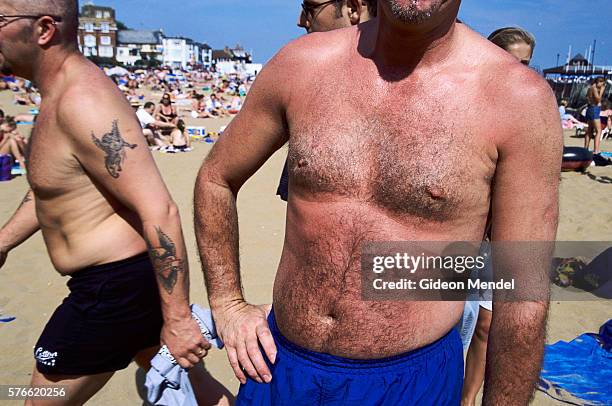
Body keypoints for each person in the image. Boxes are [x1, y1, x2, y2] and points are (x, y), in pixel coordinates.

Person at [194, 1, 561, 404]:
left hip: (410, 382)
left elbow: (522, 296)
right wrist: (227, 304)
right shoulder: (302, 65)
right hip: (279, 365)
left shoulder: (516, 100)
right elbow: (216, 178)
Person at [0, 1, 211, 404]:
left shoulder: (83, 101)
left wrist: (180, 317)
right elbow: (51, 188)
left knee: (33, 400)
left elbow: (159, 208)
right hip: (125, 284)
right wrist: (5, 240)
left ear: (44, 29)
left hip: (112, 290)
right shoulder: (57, 95)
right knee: (193, 390)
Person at [460, 26, 539, 406]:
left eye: (526, 63)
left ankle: (466, 398)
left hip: (500, 237)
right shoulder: (466, 102)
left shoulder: (529, 108)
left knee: (487, 326)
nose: (520, 70)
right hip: (463, 234)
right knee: (454, 326)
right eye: (512, 61)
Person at [277, 0, 378, 201]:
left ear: (353, 9)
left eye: (310, 8)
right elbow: (217, 177)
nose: (300, 21)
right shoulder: (309, 81)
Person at [585, 77, 607, 154]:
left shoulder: (591, 87)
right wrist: (601, 91)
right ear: (599, 82)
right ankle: (596, 150)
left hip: (591, 108)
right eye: (602, 83)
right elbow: (598, 99)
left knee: (590, 131)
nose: (602, 85)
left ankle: (585, 149)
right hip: (594, 109)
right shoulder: (594, 88)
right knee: (599, 131)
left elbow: (588, 97)